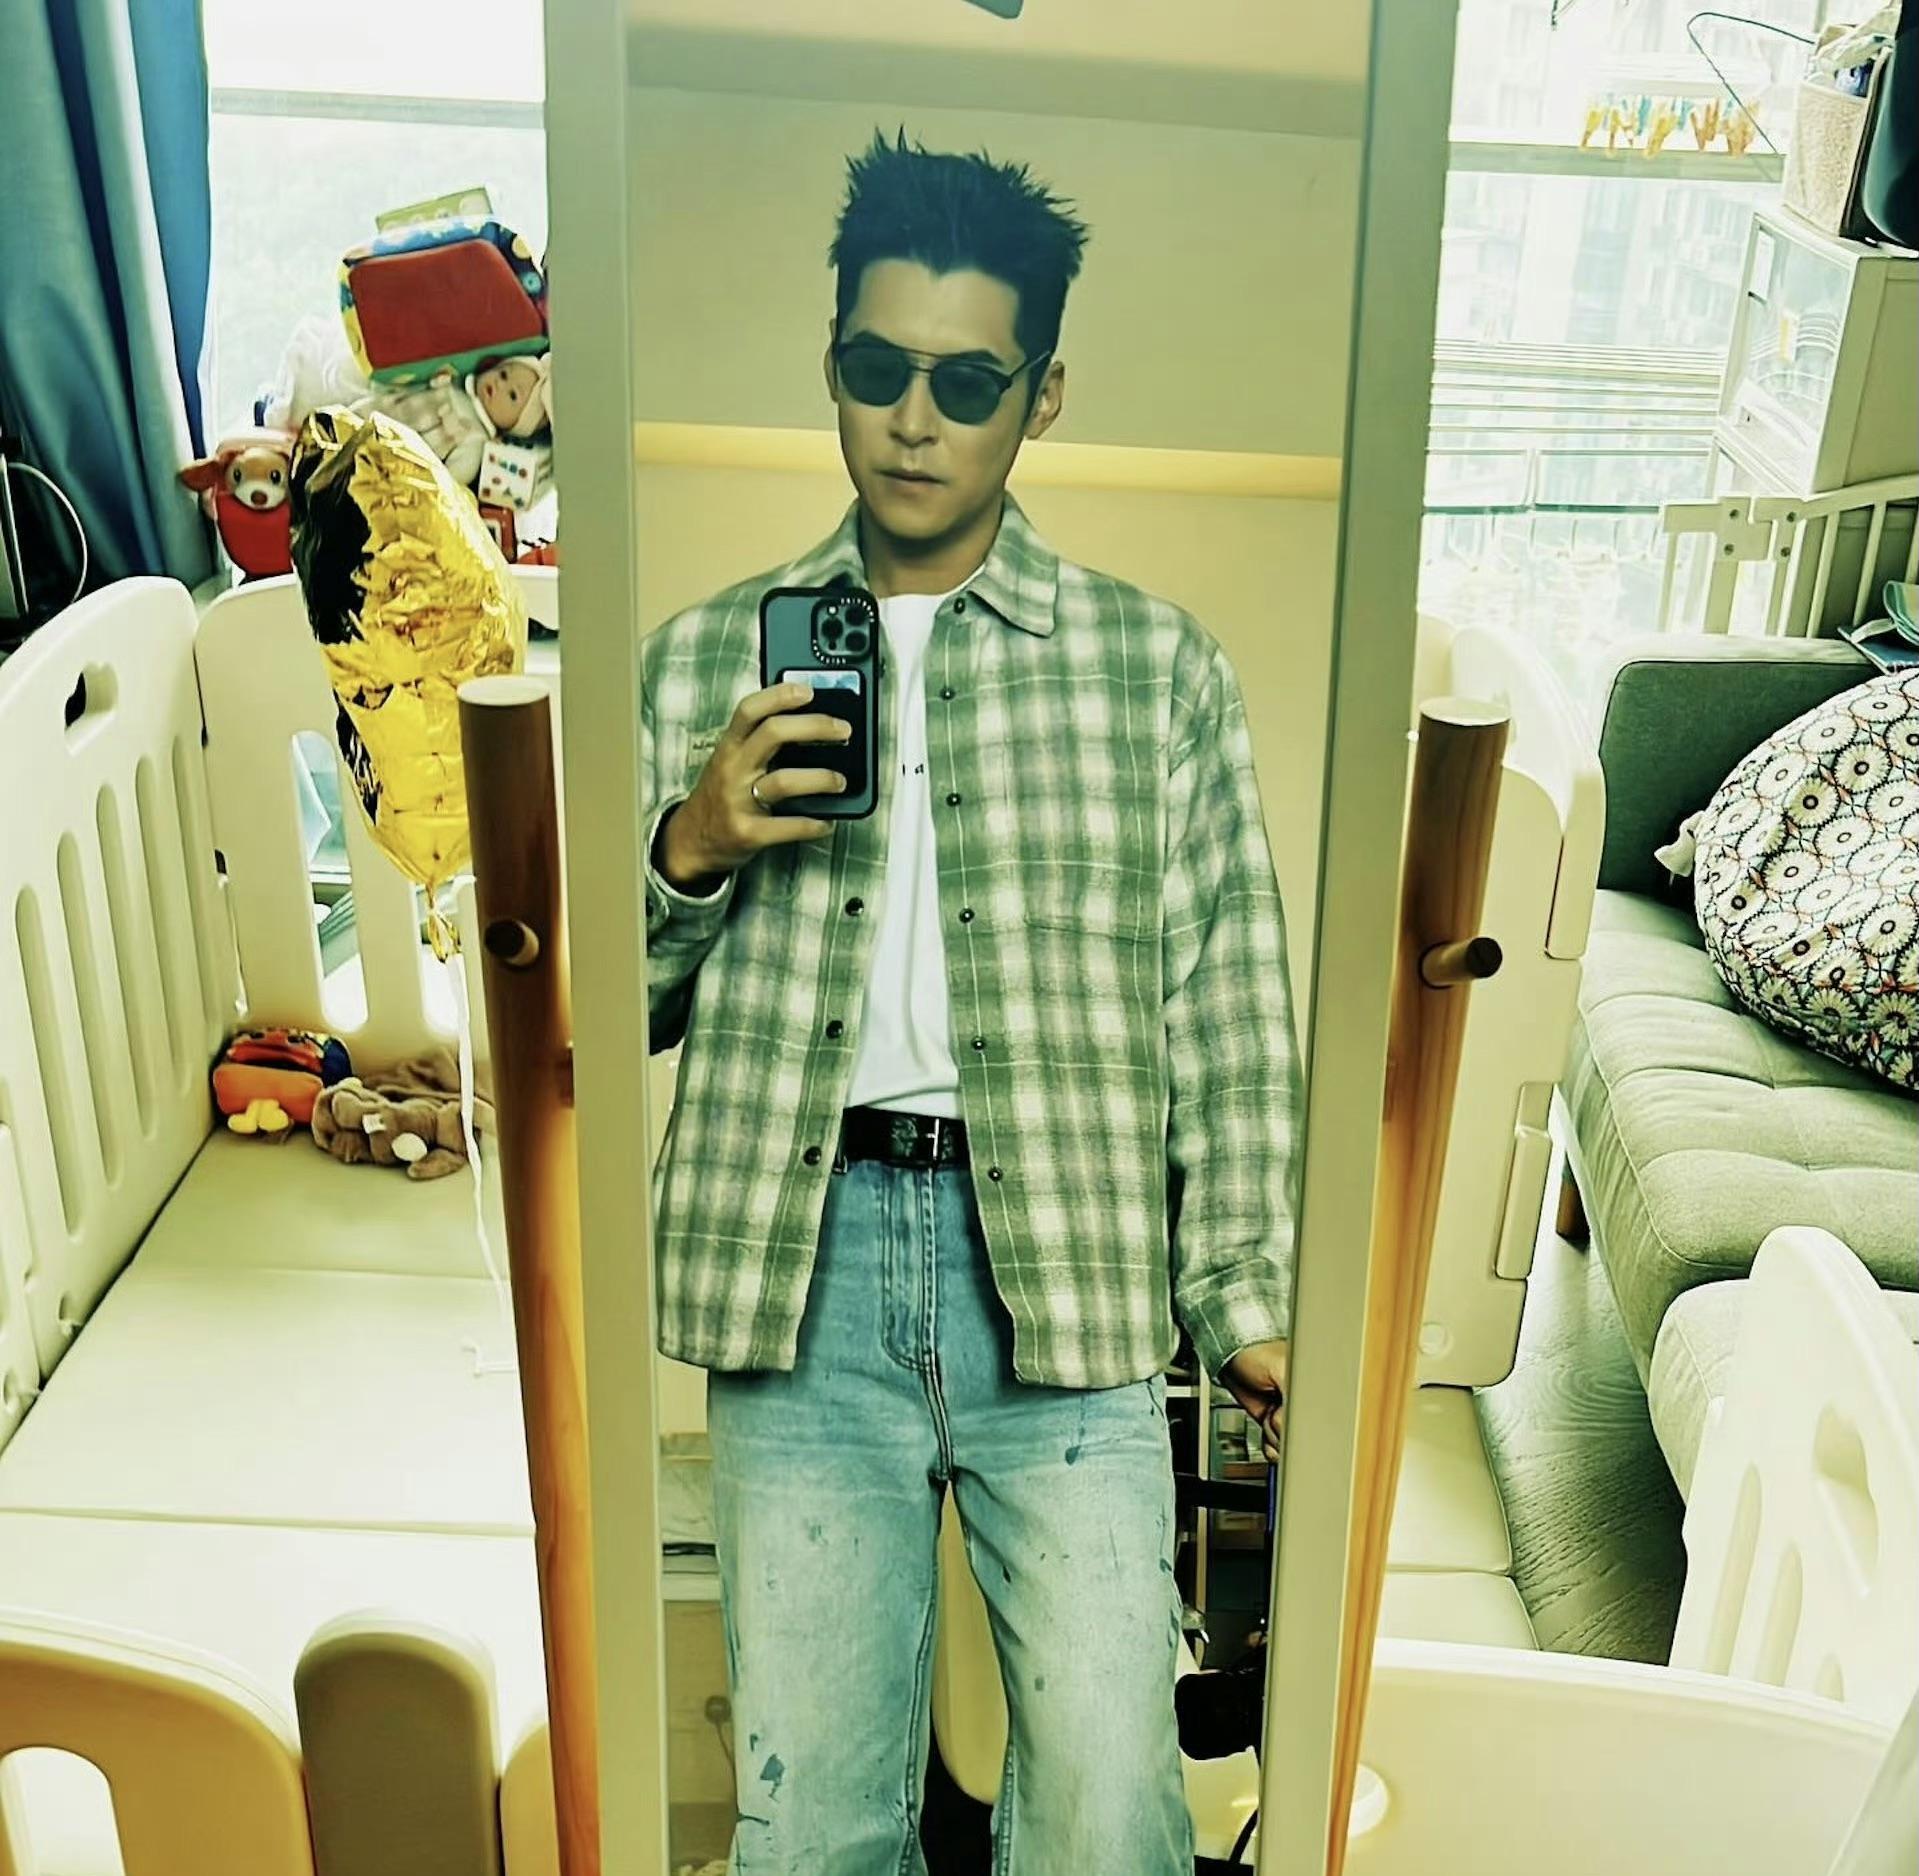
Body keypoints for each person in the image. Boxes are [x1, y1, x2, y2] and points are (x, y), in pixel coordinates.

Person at [641, 126, 1300, 1875]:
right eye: (878, 371)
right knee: (811, 1823)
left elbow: (1230, 1008)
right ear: (831, 367)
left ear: (1042, 396)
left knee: (1109, 1808)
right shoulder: (704, 660)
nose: (914, 421)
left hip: (1066, 1269)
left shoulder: (1155, 670)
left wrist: (1247, 1300)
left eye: (966, 381)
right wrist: (695, 842)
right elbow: (595, 1012)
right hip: (800, 1272)